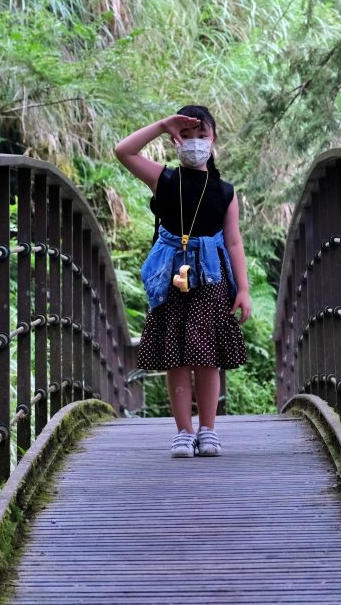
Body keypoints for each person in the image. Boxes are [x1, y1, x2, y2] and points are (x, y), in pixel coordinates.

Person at [115, 106, 251, 458]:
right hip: (169, 277)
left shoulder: (224, 191)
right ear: (175, 141)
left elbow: (234, 242)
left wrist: (245, 290)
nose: (194, 144)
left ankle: (208, 430)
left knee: (206, 356)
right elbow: (123, 151)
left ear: (214, 138)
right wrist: (161, 125)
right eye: (186, 136)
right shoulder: (164, 179)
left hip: (210, 277)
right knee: (176, 354)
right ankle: (183, 431)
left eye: (201, 136)